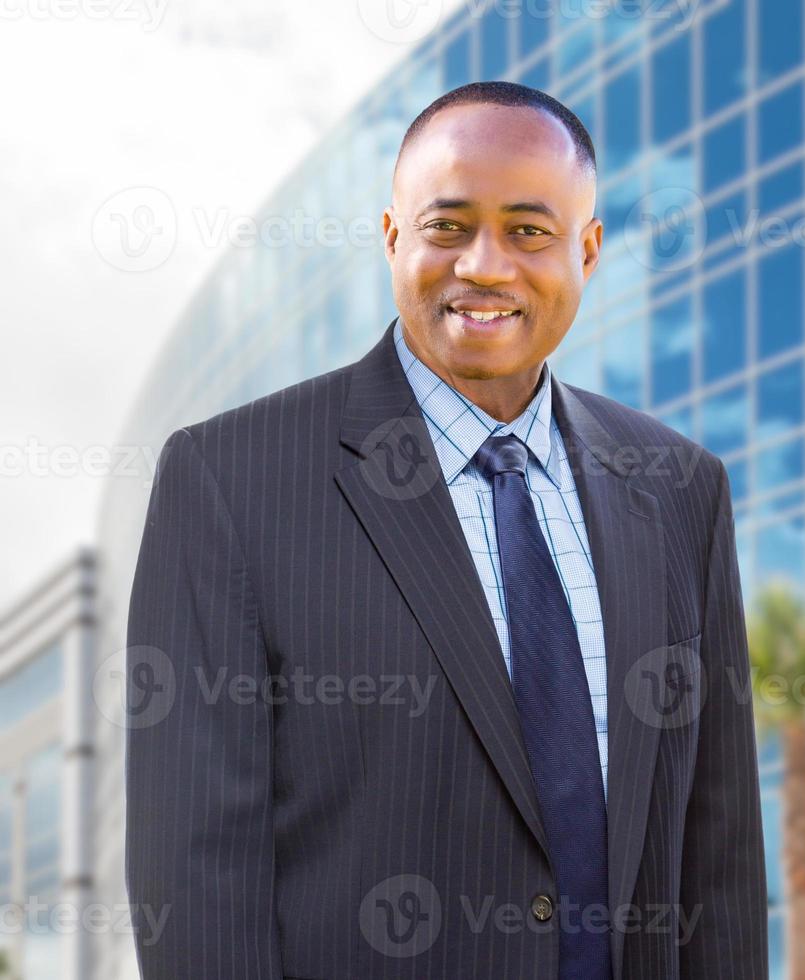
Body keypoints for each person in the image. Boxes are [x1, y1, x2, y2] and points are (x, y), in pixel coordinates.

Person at [124, 80, 768, 980]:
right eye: (448, 226)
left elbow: (718, 851)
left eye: (529, 232)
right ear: (394, 237)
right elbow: (196, 875)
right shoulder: (229, 480)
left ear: (586, 249)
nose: (486, 266)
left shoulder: (680, 490)